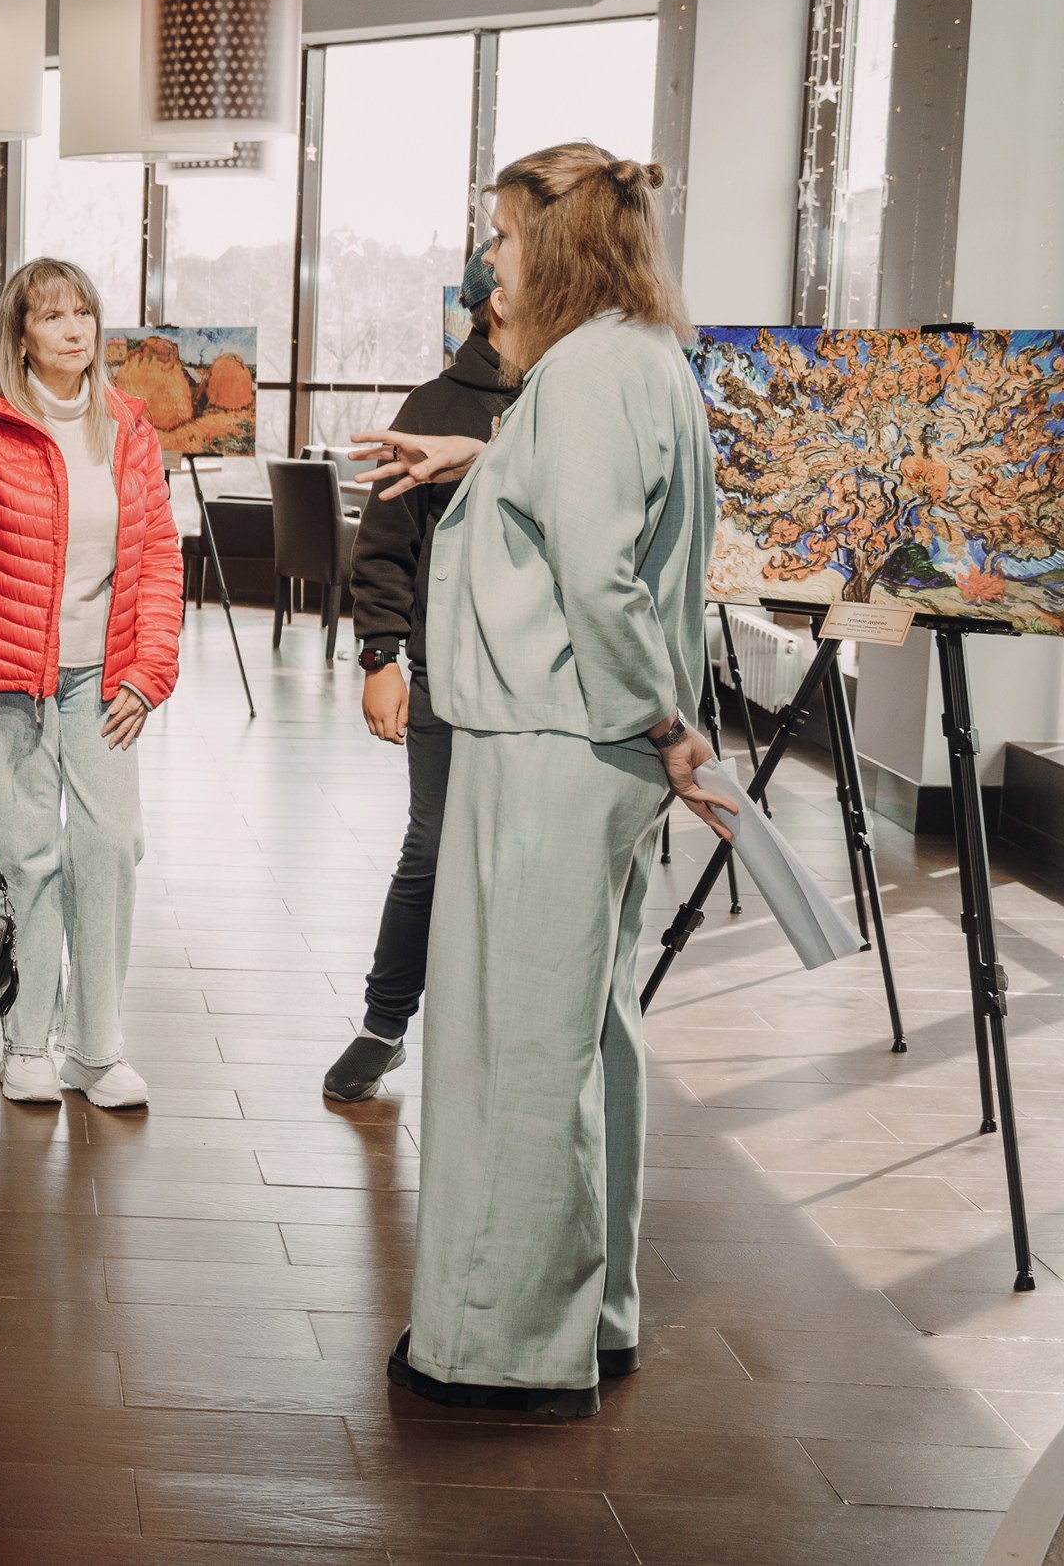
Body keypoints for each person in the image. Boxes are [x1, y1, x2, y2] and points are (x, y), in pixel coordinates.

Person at [354, 143, 724, 1418]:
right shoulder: (636, 357)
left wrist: (664, 722)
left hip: (550, 743)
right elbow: (588, 509)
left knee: (512, 1046)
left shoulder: (589, 372)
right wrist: (478, 461)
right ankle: (589, 1315)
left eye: (502, 236)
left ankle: (500, 1343)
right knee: (580, 1036)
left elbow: (600, 580)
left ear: (555, 245)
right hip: (583, 745)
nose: (487, 263)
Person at [0, 257, 183, 1109]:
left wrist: (150, 670)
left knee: (110, 847)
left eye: (84, 313)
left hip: (105, 678)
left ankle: (96, 1050)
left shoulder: (129, 429)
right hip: (6, 681)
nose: (75, 330)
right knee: (27, 858)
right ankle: (28, 1041)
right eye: (54, 316)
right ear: (20, 336)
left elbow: (161, 558)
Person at [321, 242, 520, 1103]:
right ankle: (384, 1022)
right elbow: (384, 546)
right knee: (432, 846)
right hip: (447, 671)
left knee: (522, 859)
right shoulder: (435, 404)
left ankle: (503, 1037)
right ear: (496, 302)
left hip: (542, 682)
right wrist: (380, 657)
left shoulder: (564, 396)